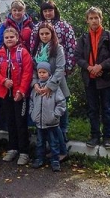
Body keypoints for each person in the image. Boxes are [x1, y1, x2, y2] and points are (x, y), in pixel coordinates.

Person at [29, 0, 77, 142]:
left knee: (59, 103)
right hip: (41, 77)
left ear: (55, 10)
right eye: (45, 11)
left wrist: (67, 69)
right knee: (44, 104)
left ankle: (63, 133)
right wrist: (35, 81)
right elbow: (33, 50)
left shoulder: (64, 26)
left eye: (50, 10)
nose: (48, 13)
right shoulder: (37, 27)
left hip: (58, 75)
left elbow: (72, 48)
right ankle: (46, 134)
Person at [75, 7, 110, 149]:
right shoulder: (83, 38)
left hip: (106, 78)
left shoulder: (109, 37)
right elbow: (77, 57)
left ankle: (108, 137)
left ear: (101, 19)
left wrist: (100, 66)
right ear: (87, 20)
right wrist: (89, 68)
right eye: (91, 18)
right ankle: (95, 136)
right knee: (93, 108)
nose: (94, 20)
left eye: (96, 18)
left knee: (106, 108)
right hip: (90, 78)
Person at [0, 27, 33, 165]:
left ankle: (24, 152)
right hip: (4, 94)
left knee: (21, 123)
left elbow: (27, 73)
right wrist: (3, 81)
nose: (9, 39)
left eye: (11, 37)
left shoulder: (23, 53)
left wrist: (21, 91)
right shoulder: (0, 53)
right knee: (10, 122)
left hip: (19, 95)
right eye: (6, 37)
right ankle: (12, 148)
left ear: (17, 38)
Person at [30, 21, 69, 162]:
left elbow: (60, 69)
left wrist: (50, 86)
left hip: (56, 89)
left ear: (52, 34)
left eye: (47, 33)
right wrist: (35, 83)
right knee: (44, 123)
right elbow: (34, 69)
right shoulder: (37, 49)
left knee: (57, 124)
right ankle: (51, 150)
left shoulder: (58, 48)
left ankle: (62, 151)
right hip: (40, 90)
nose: (44, 36)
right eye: (42, 34)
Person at [29, 62, 66, 171]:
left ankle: (55, 161)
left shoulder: (54, 88)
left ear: (49, 73)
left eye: (44, 72)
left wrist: (55, 115)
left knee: (53, 143)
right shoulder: (35, 89)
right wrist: (32, 113)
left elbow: (61, 103)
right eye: (40, 72)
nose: (41, 74)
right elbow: (31, 101)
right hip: (39, 123)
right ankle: (39, 159)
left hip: (51, 122)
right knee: (40, 142)